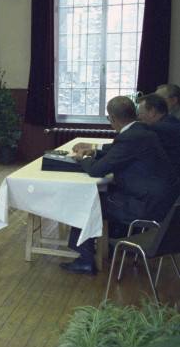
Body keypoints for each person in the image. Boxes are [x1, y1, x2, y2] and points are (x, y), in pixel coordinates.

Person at [62, 96, 180, 276]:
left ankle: (85, 261)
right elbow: (118, 152)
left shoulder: (131, 137)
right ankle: (101, 247)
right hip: (162, 205)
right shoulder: (143, 131)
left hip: (144, 207)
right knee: (103, 194)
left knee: (86, 201)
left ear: (113, 119)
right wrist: (94, 151)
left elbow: (96, 170)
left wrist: (84, 158)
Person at [136, 93, 180, 177]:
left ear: (152, 112)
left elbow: (135, 148)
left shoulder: (157, 128)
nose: (139, 117)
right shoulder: (172, 120)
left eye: (141, 113)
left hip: (167, 179)